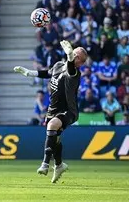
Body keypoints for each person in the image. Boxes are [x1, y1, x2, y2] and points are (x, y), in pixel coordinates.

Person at [13, 40, 88, 183]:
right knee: (55, 139)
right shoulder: (59, 65)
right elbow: (47, 73)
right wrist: (29, 73)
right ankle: (59, 165)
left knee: (52, 125)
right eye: (75, 54)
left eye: (77, 56)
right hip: (52, 109)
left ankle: (45, 164)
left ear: (80, 63)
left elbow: (70, 68)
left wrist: (70, 55)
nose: (74, 57)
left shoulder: (75, 74)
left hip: (68, 111)